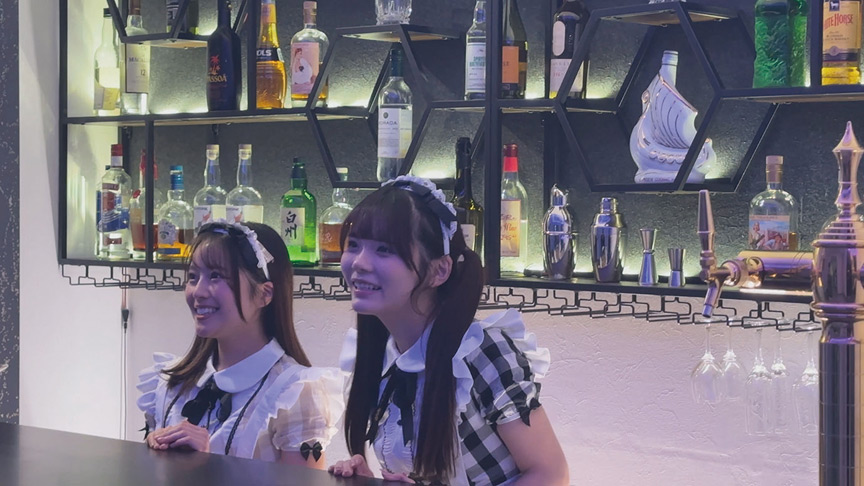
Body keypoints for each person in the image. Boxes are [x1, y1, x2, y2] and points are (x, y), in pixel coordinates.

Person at [329, 176, 569, 485]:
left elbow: (550, 474)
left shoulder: (480, 351)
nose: (359, 263)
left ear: (439, 270)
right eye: (353, 245)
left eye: (384, 249)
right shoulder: (382, 355)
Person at [137, 221, 344, 467]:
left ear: (264, 294)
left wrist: (207, 465)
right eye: (193, 277)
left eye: (216, 276)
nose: (198, 292)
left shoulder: (294, 393)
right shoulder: (171, 381)